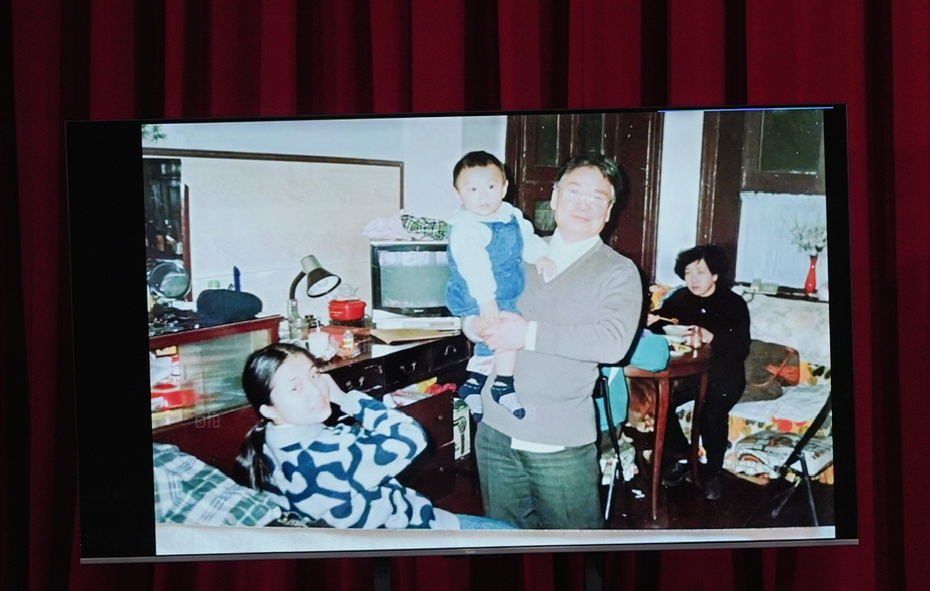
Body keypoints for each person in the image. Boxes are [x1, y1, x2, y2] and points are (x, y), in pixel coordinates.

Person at [470, 153, 642, 530]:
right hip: (494, 434)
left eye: (597, 197)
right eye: (574, 191)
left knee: (575, 549)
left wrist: (526, 334)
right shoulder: (517, 253)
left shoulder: (619, 271)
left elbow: (613, 343)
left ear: (609, 211)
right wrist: (474, 325)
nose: (583, 204)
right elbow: (476, 305)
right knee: (502, 542)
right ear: (554, 196)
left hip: (559, 442)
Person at [238, 343, 511, 530]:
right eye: (296, 388)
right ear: (267, 408)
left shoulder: (270, 442)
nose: (316, 390)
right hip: (414, 532)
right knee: (511, 538)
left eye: (315, 375)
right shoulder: (327, 453)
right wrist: (346, 398)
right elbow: (411, 437)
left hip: (379, 529)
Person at [444, 151, 552, 420]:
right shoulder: (467, 228)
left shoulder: (509, 215)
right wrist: (485, 299)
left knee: (503, 336)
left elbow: (527, 239)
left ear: (504, 188)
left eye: (491, 187)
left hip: (505, 292)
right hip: (477, 293)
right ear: (458, 194)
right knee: (501, 331)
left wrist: (540, 255)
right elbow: (474, 267)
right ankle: (499, 385)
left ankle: (479, 384)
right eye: (472, 189)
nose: (483, 196)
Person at [646, 244, 750, 500]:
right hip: (688, 373)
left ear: (715, 274)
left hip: (724, 373)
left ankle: (713, 472)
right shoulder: (680, 297)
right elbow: (663, 321)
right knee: (655, 401)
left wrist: (712, 336)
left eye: (701, 272)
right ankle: (681, 456)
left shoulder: (733, 303)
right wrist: (652, 320)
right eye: (688, 272)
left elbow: (740, 347)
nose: (693, 279)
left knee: (711, 413)